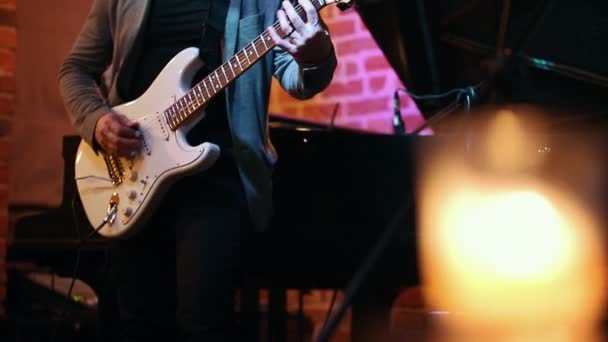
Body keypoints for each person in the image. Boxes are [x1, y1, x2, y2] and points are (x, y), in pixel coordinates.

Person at [58, 0, 337, 341]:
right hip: (134, 169)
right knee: (136, 320)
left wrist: (317, 56)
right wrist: (97, 120)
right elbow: (74, 69)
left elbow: (296, 77)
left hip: (219, 177)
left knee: (204, 322)